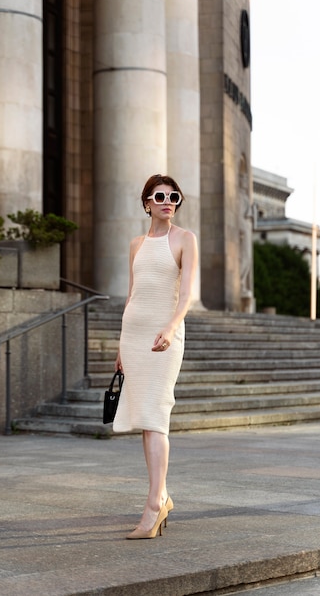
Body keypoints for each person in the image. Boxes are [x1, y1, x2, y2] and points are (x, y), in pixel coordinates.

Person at [113, 174, 198, 539]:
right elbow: (131, 296)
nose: (168, 201)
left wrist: (171, 327)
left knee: (157, 414)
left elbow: (188, 295)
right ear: (147, 201)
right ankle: (159, 496)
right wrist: (120, 345)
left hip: (164, 337)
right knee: (146, 419)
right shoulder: (135, 244)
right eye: (160, 196)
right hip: (134, 337)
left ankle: (154, 504)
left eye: (173, 196)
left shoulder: (185, 239)